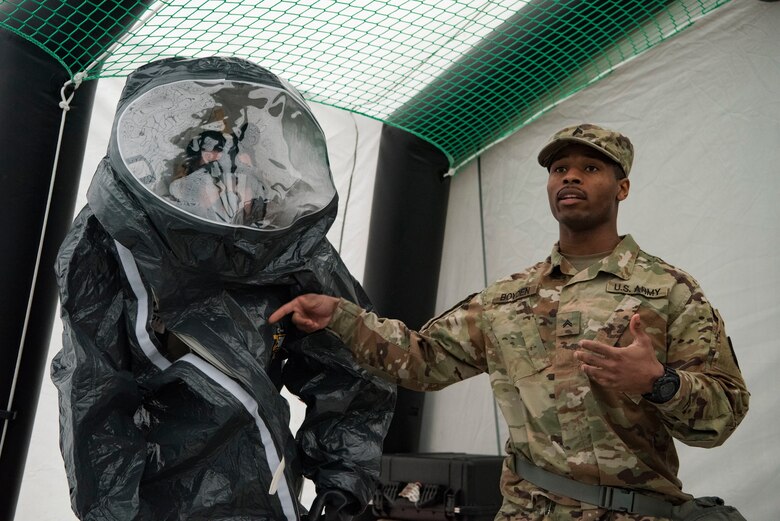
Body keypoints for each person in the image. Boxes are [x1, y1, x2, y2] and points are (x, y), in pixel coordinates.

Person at [270, 124, 750, 520]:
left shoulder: (668, 290)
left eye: (590, 168)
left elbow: (722, 417)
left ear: (622, 187)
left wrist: (658, 383)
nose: (571, 178)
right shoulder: (507, 298)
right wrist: (340, 315)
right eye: (559, 169)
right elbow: (424, 360)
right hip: (527, 511)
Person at [51, 56, 395, 521]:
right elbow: (96, 400)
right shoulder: (115, 242)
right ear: (179, 159)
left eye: (243, 150)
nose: (233, 166)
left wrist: (343, 486)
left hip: (270, 491)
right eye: (213, 150)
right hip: (163, 498)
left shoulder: (282, 237)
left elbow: (348, 366)